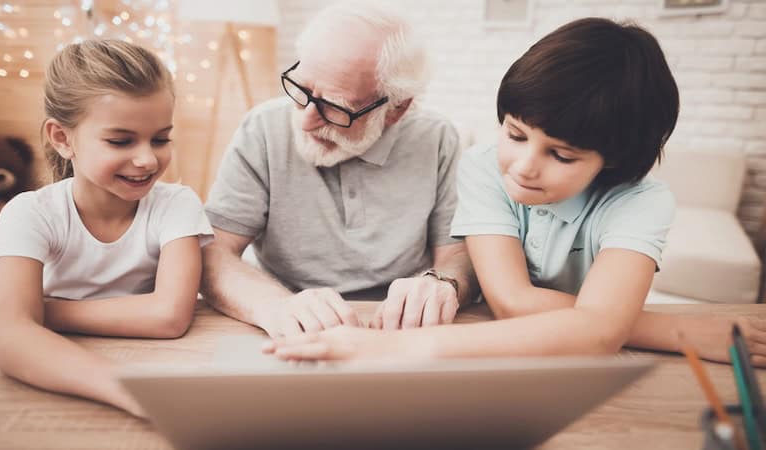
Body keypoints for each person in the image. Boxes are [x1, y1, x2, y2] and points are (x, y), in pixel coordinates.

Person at [265, 18, 766, 365]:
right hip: (511, 349)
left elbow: (598, 334)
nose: (524, 168)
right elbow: (510, 301)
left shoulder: (641, 202)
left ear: (610, 158)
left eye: (562, 155)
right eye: (516, 134)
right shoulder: (486, 166)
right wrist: (673, 330)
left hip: (580, 363)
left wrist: (609, 324)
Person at [0, 40, 213, 416]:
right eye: (120, 140)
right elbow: (13, 340)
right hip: (63, 378)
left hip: (167, 361)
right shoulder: (29, 213)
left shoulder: (177, 204)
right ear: (63, 138)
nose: (147, 159)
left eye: (161, 139)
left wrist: (30, 312)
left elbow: (168, 317)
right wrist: (132, 391)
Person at [201, 2, 477, 338]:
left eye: (333, 108)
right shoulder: (262, 128)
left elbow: (458, 253)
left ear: (396, 109)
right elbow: (213, 253)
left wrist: (442, 283)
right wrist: (277, 307)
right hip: (286, 319)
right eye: (302, 90)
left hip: (399, 329)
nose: (305, 120)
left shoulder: (437, 138)